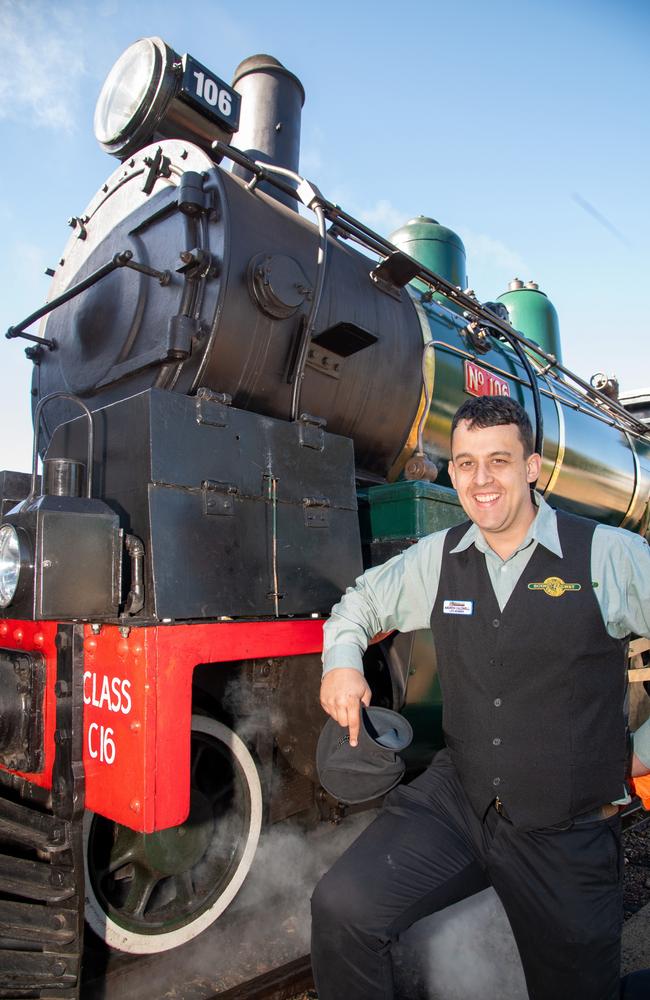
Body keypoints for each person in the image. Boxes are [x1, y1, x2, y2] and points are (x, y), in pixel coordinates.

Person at [311, 396, 650, 1000]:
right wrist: (341, 664)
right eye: (465, 464)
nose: (480, 480)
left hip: (563, 826)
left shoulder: (608, 555)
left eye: (498, 460)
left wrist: (643, 749)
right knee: (342, 909)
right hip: (459, 799)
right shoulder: (438, 559)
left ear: (532, 469)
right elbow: (357, 605)